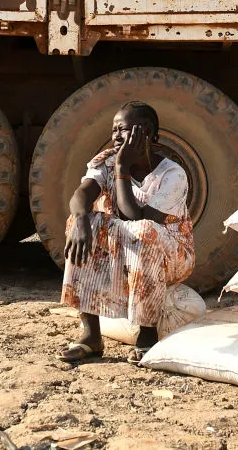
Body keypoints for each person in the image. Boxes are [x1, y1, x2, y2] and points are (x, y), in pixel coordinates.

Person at [59, 101, 195, 364]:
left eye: (124, 129)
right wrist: (80, 220)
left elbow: (132, 216)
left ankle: (147, 335)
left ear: (148, 133)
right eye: (114, 130)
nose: (116, 137)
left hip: (172, 253)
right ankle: (91, 335)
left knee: (144, 231)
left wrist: (122, 169)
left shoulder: (172, 174)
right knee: (82, 222)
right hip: (128, 243)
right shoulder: (106, 161)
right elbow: (82, 195)